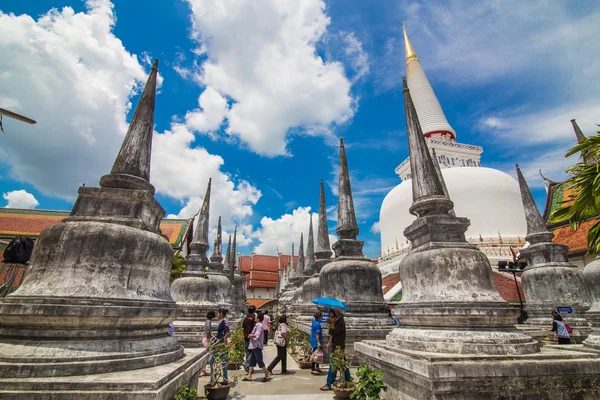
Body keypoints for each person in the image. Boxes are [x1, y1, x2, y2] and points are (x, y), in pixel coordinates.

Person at [320, 309, 352, 391]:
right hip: (338, 346)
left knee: (333, 364)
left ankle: (329, 383)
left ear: (339, 313)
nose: (335, 313)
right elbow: (331, 333)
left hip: (338, 346)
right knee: (343, 363)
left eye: (336, 312)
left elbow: (333, 332)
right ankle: (348, 379)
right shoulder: (339, 322)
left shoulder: (340, 322)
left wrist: (331, 324)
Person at [243, 311, 271, 382]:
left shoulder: (259, 325)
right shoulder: (257, 324)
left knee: (259, 361)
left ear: (258, 318)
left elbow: (257, 335)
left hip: (257, 346)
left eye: (255, 316)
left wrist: (250, 335)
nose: (254, 317)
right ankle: (249, 375)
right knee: (252, 361)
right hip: (253, 345)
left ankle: (266, 374)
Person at [208, 309, 230, 386]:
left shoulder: (224, 322)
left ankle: (213, 379)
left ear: (221, 314)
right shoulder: (222, 322)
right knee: (222, 361)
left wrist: (224, 342)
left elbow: (227, 332)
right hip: (218, 343)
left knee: (212, 361)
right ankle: (224, 378)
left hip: (219, 344)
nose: (217, 315)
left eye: (218, 313)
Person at [200, 310, 216, 377]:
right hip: (206, 339)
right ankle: (203, 370)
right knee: (208, 355)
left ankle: (204, 370)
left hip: (206, 339)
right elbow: (208, 331)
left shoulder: (207, 321)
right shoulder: (208, 321)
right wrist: (213, 337)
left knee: (208, 355)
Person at [242, 305, 257, 371]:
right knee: (253, 352)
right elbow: (254, 328)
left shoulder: (245, 318)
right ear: (254, 311)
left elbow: (243, 327)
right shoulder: (253, 319)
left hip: (246, 336)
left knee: (247, 352)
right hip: (251, 337)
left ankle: (248, 367)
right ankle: (247, 364)